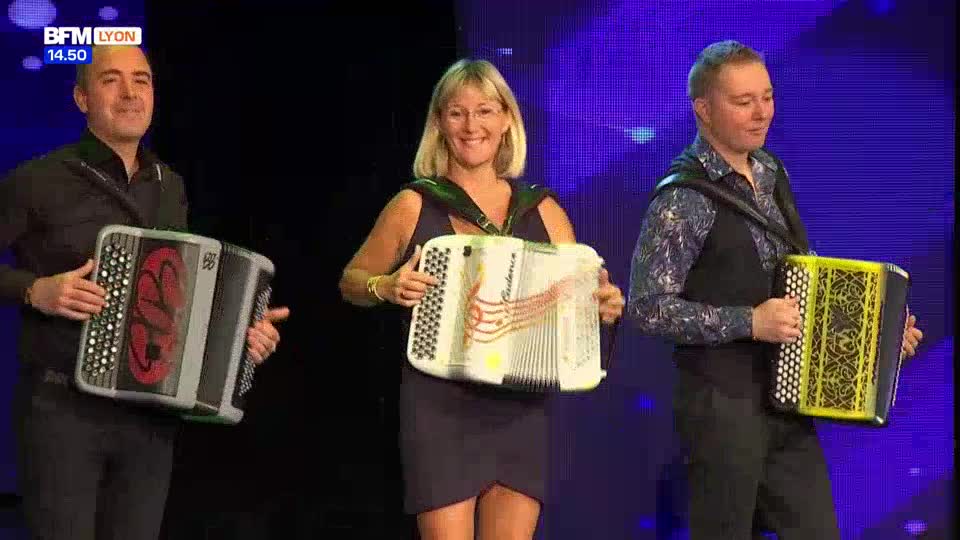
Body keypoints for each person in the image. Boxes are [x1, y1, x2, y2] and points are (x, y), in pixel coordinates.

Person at [627, 40, 924, 540]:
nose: (761, 112)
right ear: (703, 109)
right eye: (744, 101)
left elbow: (802, 288)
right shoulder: (682, 196)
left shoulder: (770, 170)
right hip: (720, 408)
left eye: (766, 96)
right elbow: (647, 307)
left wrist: (880, 342)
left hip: (787, 405)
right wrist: (750, 321)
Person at [0, 45, 289, 540]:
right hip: (62, 413)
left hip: (148, 418)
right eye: (111, 80)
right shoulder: (35, 181)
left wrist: (241, 335)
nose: (131, 92)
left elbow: (175, 296)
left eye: (143, 80)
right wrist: (35, 290)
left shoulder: (169, 184)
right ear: (81, 98)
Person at [339, 58, 625, 539]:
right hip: (440, 406)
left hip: (523, 408)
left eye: (485, 111)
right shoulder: (413, 203)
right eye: (457, 113)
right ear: (439, 125)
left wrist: (603, 309)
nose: (472, 126)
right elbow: (351, 279)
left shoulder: (545, 210)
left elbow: (578, 310)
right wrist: (384, 287)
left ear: (507, 120)